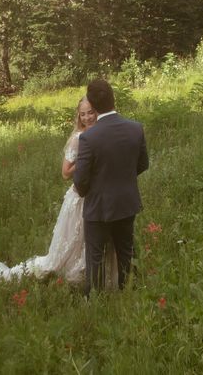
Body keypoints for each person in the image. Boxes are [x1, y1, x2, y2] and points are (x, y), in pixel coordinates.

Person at [0, 97, 117, 286]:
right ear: (79, 116)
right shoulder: (79, 138)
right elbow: (65, 172)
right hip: (81, 197)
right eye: (83, 113)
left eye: (91, 112)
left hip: (101, 196)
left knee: (94, 242)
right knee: (71, 245)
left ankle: (94, 275)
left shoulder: (105, 132)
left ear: (98, 111)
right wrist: (87, 162)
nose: (87, 117)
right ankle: (71, 275)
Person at [73, 79, 149, 295]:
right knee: (126, 251)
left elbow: (80, 180)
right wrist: (122, 179)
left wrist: (93, 190)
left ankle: (95, 300)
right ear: (113, 97)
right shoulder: (136, 128)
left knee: (95, 256)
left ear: (94, 107)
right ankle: (127, 292)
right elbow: (143, 164)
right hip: (127, 201)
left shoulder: (89, 137)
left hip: (98, 206)